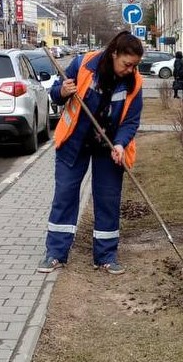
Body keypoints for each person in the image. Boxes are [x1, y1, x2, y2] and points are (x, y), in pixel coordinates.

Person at [38, 30, 144, 275]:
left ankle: (105, 256)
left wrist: (120, 144)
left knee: (108, 199)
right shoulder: (83, 64)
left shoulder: (134, 82)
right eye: (127, 64)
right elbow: (55, 93)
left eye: (134, 65)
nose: (130, 70)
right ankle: (55, 253)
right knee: (65, 195)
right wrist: (62, 91)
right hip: (74, 142)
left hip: (108, 146)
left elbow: (131, 120)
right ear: (114, 53)